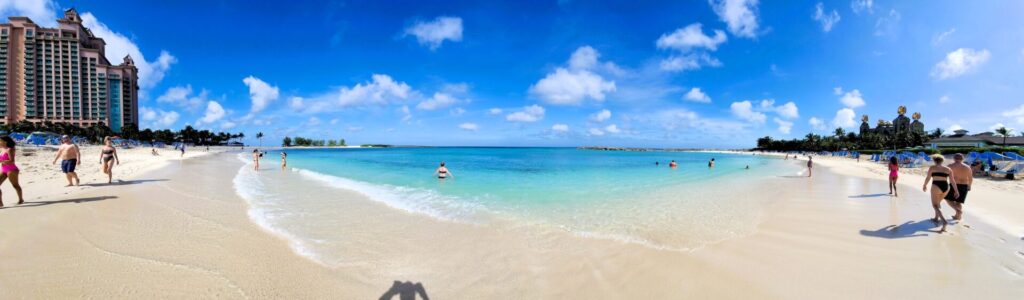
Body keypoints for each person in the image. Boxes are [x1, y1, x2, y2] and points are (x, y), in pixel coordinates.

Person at [923, 156, 958, 232]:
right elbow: (952, 181)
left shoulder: (932, 167)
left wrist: (924, 185)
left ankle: (944, 221)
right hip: (946, 187)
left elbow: (928, 177)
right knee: (938, 203)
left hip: (936, 185)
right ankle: (936, 218)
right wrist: (956, 191)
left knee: (935, 205)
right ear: (942, 161)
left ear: (935, 161)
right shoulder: (948, 169)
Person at [946, 154, 973, 220]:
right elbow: (970, 178)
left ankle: (958, 211)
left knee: (948, 199)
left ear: (954, 158)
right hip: (964, 185)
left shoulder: (950, 166)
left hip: (953, 185)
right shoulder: (967, 167)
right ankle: (958, 216)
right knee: (958, 202)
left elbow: (944, 176)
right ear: (962, 159)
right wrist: (969, 186)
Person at [0, 136, 24, 207]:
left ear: (5, 142)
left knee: (15, 185)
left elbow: (12, 161)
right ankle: (0, 203)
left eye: (0, 141)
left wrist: (1, 161)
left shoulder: (10, 149)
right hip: (4, 170)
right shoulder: (1, 149)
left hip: (12, 170)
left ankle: (21, 199)